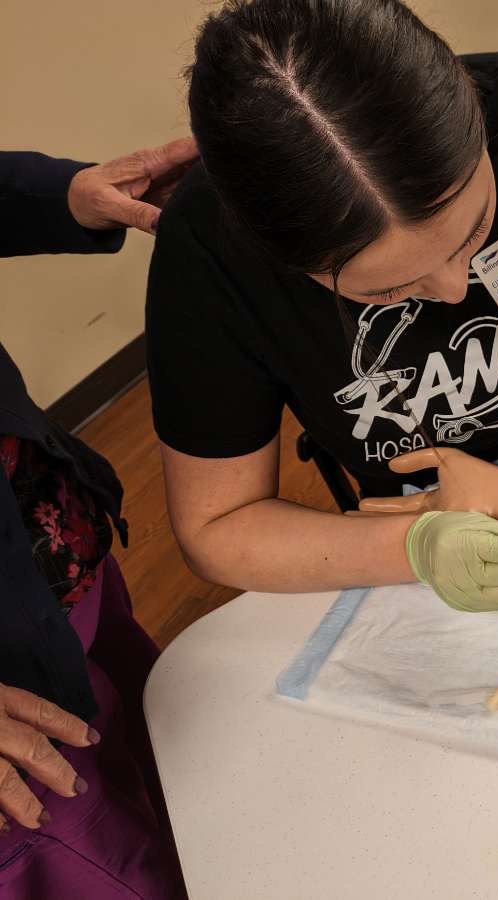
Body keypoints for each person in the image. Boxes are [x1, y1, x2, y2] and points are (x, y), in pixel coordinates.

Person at [146, 0, 498, 613]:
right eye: (385, 292)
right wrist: (413, 547)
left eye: (475, 231)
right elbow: (217, 527)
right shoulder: (209, 251)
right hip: (435, 525)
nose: (452, 290)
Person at [1, 138, 195, 896]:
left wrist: (64, 193)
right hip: (19, 732)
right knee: (102, 854)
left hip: (43, 548)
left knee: (172, 766)